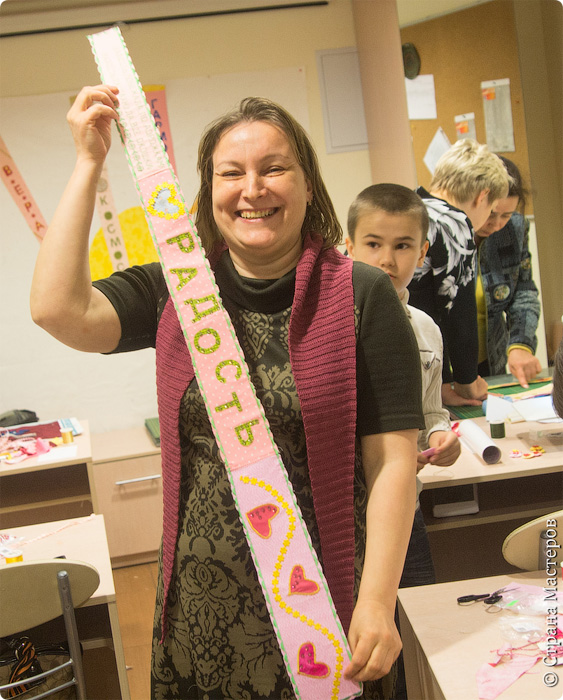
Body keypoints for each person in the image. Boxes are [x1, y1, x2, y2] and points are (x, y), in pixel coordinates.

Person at [30, 86, 425, 699]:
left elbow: (392, 462)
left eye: (275, 169)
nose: (252, 189)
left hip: (326, 612)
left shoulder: (363, 294)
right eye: (231, 173)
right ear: (208, 191)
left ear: (308, 184)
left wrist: (376, 601)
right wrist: (88, 162)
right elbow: (57, 309)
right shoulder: (175, 289)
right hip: (199, 614)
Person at [346, 183, 461, 698]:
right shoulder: (331, 327)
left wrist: (441, 438)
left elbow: (432, 410)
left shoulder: (427, 329)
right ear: (348, 245)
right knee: (356, 653)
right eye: (373, 244)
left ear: (423, 251)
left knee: (416, 639)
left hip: (406, 514)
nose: (387, 260)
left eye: (402, 246)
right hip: (347, 518)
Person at [407, 139, 511, 407]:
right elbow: (457, 311)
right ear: (482, 196)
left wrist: (441, 384)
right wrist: (468, 381)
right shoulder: (454, 221)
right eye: (491, 209)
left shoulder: (408, 207)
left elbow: (426, 302)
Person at [474, 156, 542, 388]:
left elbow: (524, 292)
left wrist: (521, 344)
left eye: (506, 215)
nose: (497, 224)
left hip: (491, 362)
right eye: (491, 213)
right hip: (444, 366)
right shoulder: (445, 233)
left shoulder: (515, 228)